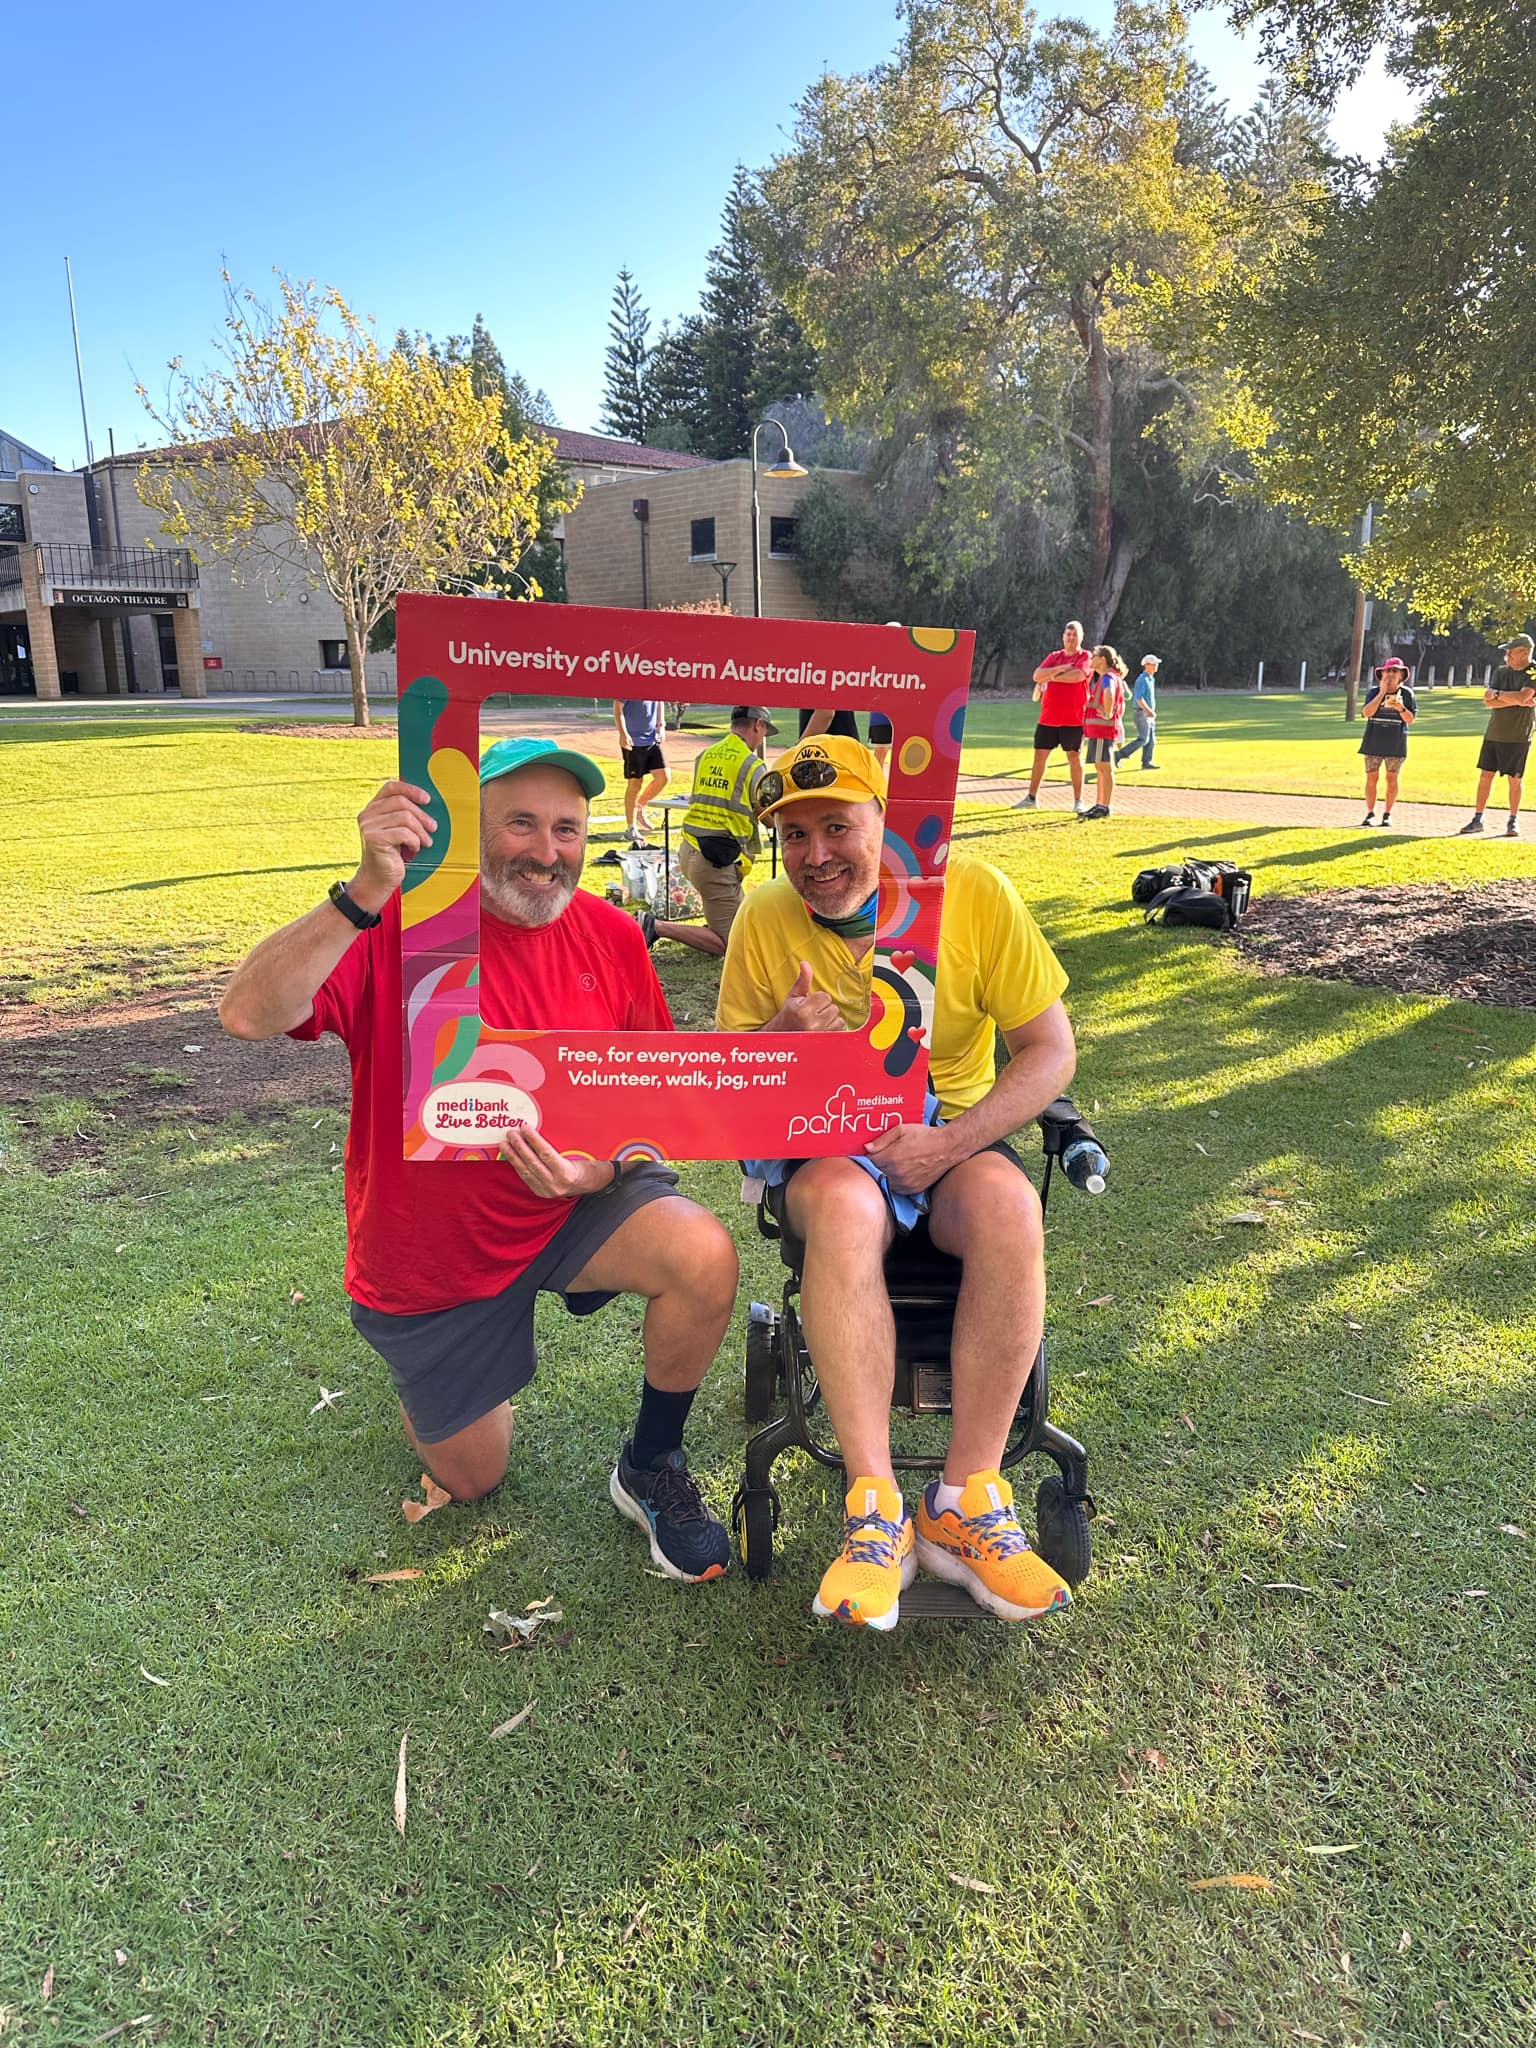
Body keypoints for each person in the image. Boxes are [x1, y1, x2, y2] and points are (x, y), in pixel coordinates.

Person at [217, 735, 736, 1583]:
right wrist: (365, 889)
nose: (547, 851)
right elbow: (246, 1014)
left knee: (702, 1253)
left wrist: (599, 1172)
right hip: (433, 1254)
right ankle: (433, 1377)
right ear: (469, 829)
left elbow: (652, 1100)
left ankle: (651, 1463)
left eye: (567, 829)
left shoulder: (611, 935)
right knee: (473, 1477)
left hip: (569, 1208)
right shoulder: (399, 924)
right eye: (520, 824)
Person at [717, 734, 1078, 1630]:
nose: (814, 856)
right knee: (845, 1203)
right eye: (793, 835)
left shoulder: (975, 893)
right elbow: (728, 1089)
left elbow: (1049, 1051)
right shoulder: (763, 918)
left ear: (889, 819)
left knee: (1010, 1206)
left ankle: (964, 1501)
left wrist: (951, 1142)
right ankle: (874, 1509)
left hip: (947, 1135)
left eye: (836, 826)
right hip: (824, 1147)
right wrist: (781, 1042)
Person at [641, 706, 778, 958]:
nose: (762, 739)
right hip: (715, 863)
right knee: (731, 944)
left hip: (691, 849)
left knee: (740, 917)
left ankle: (715, 924)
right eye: (764, 732)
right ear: (757, 724)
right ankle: (655, 926)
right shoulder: (752, 765)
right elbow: (768, 818)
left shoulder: (706, 755)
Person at [1459, 634, 1535, 837]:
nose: (1506, 655)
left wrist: (1499, 695)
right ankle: (1478, 818)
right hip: (1494, 732)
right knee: (1485, 775)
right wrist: (1514, 700)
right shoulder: (1501, 672)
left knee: (1515, 779)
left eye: (1510, 651)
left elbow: (1523, 696)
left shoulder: (1533, 672)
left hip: (1519, 735)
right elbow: (1488, 701)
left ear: (1524, 652)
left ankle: (1513, 820)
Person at [1021, 620, 1093, 812]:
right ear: (1063, 636)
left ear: (1081, 637)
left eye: (1075, 635)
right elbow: (1037, 675)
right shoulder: (1054, 656)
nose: (1071, 638)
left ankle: (1078, 801)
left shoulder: (1085, 656)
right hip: (1048, 717)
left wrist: (1051, 677)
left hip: (1074, 718)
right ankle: (1031, 798)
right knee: (1039, 756)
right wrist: (1058, 670)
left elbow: (1078, 676)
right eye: (1068, 634)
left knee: (1074, 757)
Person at [1359, 657, 1417, 827]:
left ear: (1401, 675)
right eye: (1387, 671)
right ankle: (1370, 813)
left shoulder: (1407, 694)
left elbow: (1410, 719)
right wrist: (1381, 694)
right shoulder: (1373, 692)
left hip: (1396, 741)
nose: (1390, 674)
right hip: (1373, 739)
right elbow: (1367, 713)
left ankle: (1387, 814)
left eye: (1394, 671)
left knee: (1392, 777)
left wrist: (1400, 707)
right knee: (1372, 776)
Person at [1079, 646, 1128, 819]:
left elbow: (1109, 693)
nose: (1091, 659)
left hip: (1102, 729)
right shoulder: (1108, 676)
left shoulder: (1108, 677)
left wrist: (1107, 713)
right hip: (1098, 729)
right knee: (1100, 767)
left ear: (1102, 659)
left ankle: (1104, 806)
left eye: (1094, 656)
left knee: (1104, 767)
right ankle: (1099, 804)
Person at [613, 699, 668, 844]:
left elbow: (660, 701)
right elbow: (618, 707)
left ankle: (639, 807)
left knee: (663, 778)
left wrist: (661, 725)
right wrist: (623, 734)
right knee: (635, 784)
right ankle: (631, 828)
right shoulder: (629, 687)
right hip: (633, 742)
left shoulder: (655, 685)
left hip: (652, 739)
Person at [1117, 655, 1159, 770]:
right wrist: (1149, 711)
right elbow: (1139, 699)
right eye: (1153, 664)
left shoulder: (1150, 679)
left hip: (1147, 713)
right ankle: (1119, 755)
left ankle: (1146, 762)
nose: (1156, 666)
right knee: (1143, 739)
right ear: (1146, 665)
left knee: (1151, 741)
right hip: (1143, 713)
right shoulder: (1142, 679)